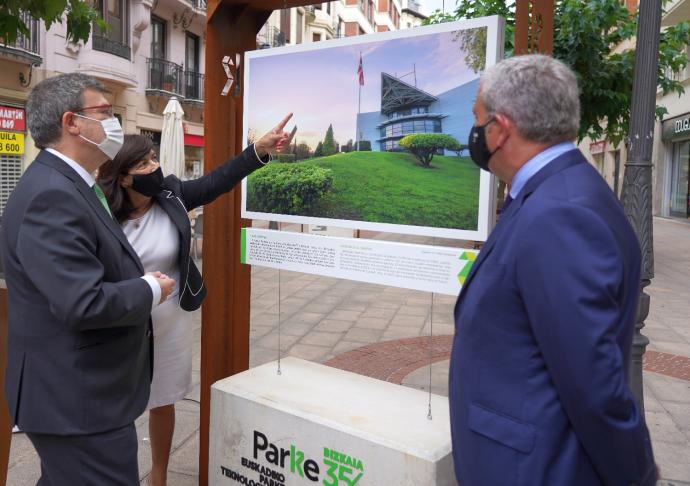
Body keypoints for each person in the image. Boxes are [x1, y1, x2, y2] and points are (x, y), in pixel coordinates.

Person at [449, 54, 657, 485]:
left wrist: (637, 475)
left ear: (501, 129)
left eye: (478, 118)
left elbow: (594, 384)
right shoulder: (556, 192)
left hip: (533, 469)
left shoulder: (558, 215)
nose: (473, 132)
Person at [96, 115, 291, 486]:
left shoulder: (170, 194)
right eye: (143, 163)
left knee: (163, 398)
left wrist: (257, 151)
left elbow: (217, 180)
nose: (154, 166)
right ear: (123, 176)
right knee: (115, 401)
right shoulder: (103, 213)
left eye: (154, 157)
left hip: (170, 320)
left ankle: (159, 475)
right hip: (123, 319)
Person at [0, 73, 176, 484]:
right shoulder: (52, 193)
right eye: (104, 112)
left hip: (80, 395)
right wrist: (150, 288)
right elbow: (82, 302)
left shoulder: (69, 183)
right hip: (77, 401)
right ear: (72, 123)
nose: (114, 122)